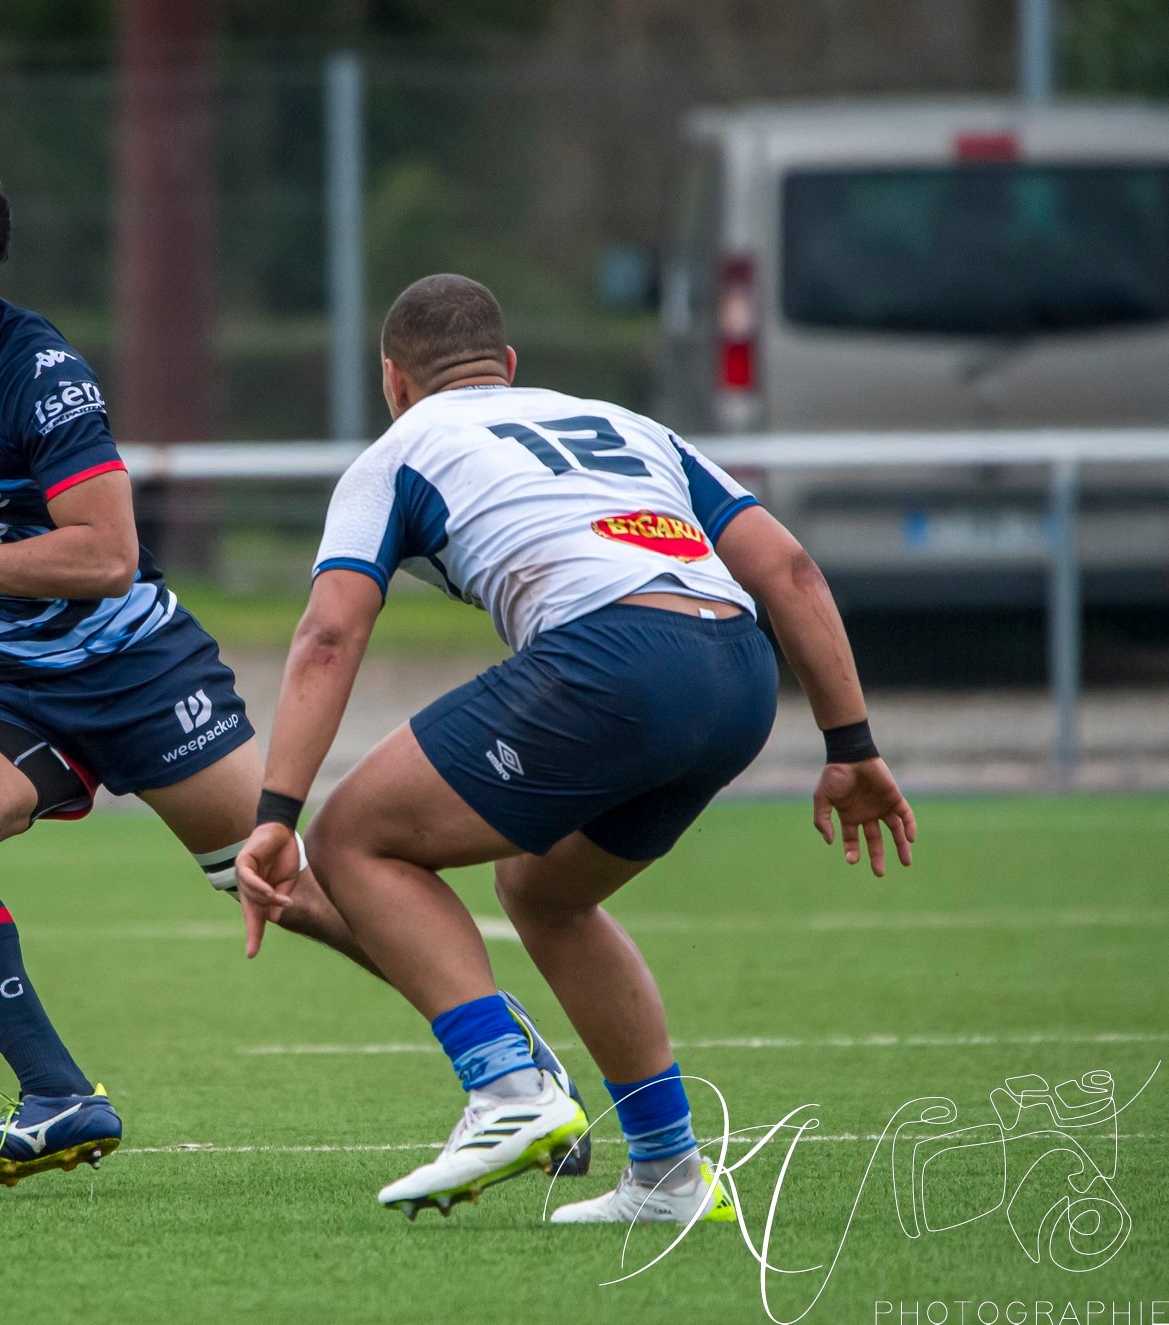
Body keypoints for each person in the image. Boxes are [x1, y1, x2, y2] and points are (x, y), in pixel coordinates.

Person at [0, 153, 418, 1191]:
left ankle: (507, 1054)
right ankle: (58, 1095)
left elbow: (103, 555)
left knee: (290, 886)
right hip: (0, 687)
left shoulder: (35, 373)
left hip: (137, 672)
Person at [235, 273, 917, 1223]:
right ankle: (670, 1173)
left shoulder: (399, 450)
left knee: (353, 839)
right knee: (545, 891)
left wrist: (276, 815)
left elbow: (329, 633)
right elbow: (790, 567)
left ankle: (507, 1088)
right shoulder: (633, 426)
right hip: (740, 671)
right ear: (510, 368)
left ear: (393, 382)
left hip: (616, 656)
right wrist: (850, 743)